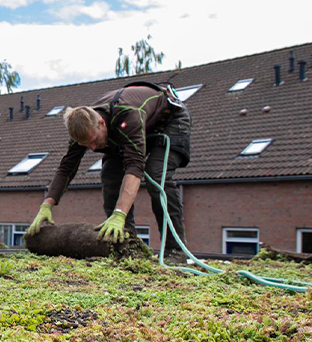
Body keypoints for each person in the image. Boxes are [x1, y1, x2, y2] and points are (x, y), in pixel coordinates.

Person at [26, 81, 192, 263]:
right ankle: (127, 246)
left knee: (156, 176)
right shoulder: (84, 129)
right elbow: (66, 168)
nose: (93, 147)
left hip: (169, 121)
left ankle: (176, 250)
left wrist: (120, 212)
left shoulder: (128, 115)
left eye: (94, 141)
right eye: (86, 145)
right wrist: (46, 206)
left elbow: (135, 166)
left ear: (101, 123)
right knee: (110, 177)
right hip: (126, 132)